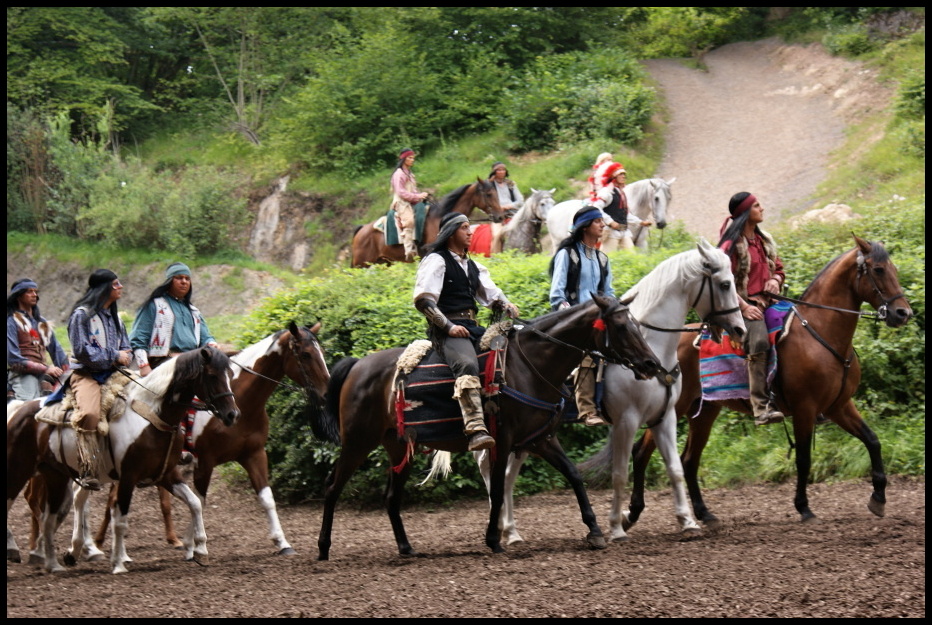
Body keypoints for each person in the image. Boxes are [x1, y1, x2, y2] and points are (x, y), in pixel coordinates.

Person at [413, 212, 520, 451]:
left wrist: (506, 305)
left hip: (472, 327)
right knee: (467, 364)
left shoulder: (472, 265)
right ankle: (474, 428)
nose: (470, 232)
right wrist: (449, 327)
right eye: (464, 228)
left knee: (511, 350)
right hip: (446, 330)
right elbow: (424, 301)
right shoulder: (436, 261)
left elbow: (490, 295)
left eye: (469, 227)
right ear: (451, 232)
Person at [130, 262, 219, 464]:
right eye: (179, 278)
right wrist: (144, 367)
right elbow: (138, 339)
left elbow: (206, 336)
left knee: (219, 388)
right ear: (170, 281)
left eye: (187, 278)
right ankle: (174, 445)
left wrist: (212, 344)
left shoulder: (194, 311)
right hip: (164, 362)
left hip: (193, 363)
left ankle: (206, 441)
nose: (184, 282)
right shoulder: (155, 305)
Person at [718, 192, 787, 426]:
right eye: (757, 206)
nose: (762, 208)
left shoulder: (763, 239)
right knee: (758, 341)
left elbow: (778, 268)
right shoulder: (730, 245)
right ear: (746, 213)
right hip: (740, 307)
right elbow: (720, 282)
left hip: (769, 302)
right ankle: (761, 407)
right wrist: (745, 306)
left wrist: (775, 281)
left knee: (801, 330)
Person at [548, 207, 616, 426]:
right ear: (585, 226)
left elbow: (609, 293)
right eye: (598, 221)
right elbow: (557, 296)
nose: (603, 225)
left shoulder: (602, 259)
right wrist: (574, 316)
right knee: (585, 355)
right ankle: (587, 411)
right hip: (572, 320)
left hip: (598, 320)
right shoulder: (567, 255)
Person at [67, 269, 133, 490]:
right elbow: (83, 352)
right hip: (87, 374)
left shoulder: (115, 318)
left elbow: (126, 346)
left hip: (115, 373)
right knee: (90, 414)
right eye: (116, 284)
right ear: (104, 288)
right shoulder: (82, 316)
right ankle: (88, 468)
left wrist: (126, 355)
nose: (120, 287)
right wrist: (116, 356)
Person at [7, 279, 69, 401]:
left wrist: (68, 371)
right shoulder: (11, 322)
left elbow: (57, 351)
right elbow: (13, 358)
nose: (34, 295)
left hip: (43, 372)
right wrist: (46, 369)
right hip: (22, 375)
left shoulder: (41, 322)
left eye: (35, 291)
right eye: (29, 291)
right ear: (19, 296)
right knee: (28, 404)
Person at [390, 148, 430, 262]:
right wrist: (417, 196)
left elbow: (413, 190)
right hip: (402, 202)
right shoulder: (399, 174)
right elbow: (401, 192)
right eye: (410, 158)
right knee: (409, 221)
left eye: (413, 158)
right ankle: (409, 251)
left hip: (411, 201)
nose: (412, 160)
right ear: (403, 159)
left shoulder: (410, 174)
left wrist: (421, 195)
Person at [488, 161, 525, 253]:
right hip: (497, 216)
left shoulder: (511, 184)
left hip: (513, 213)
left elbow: (520, 201)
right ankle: (496, 256)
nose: (501, 172)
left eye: (503, 170)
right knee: (497, 234)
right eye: (498, 170)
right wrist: (498, 208)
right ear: (494, 172)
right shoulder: (489, 185)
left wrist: (508, 206)